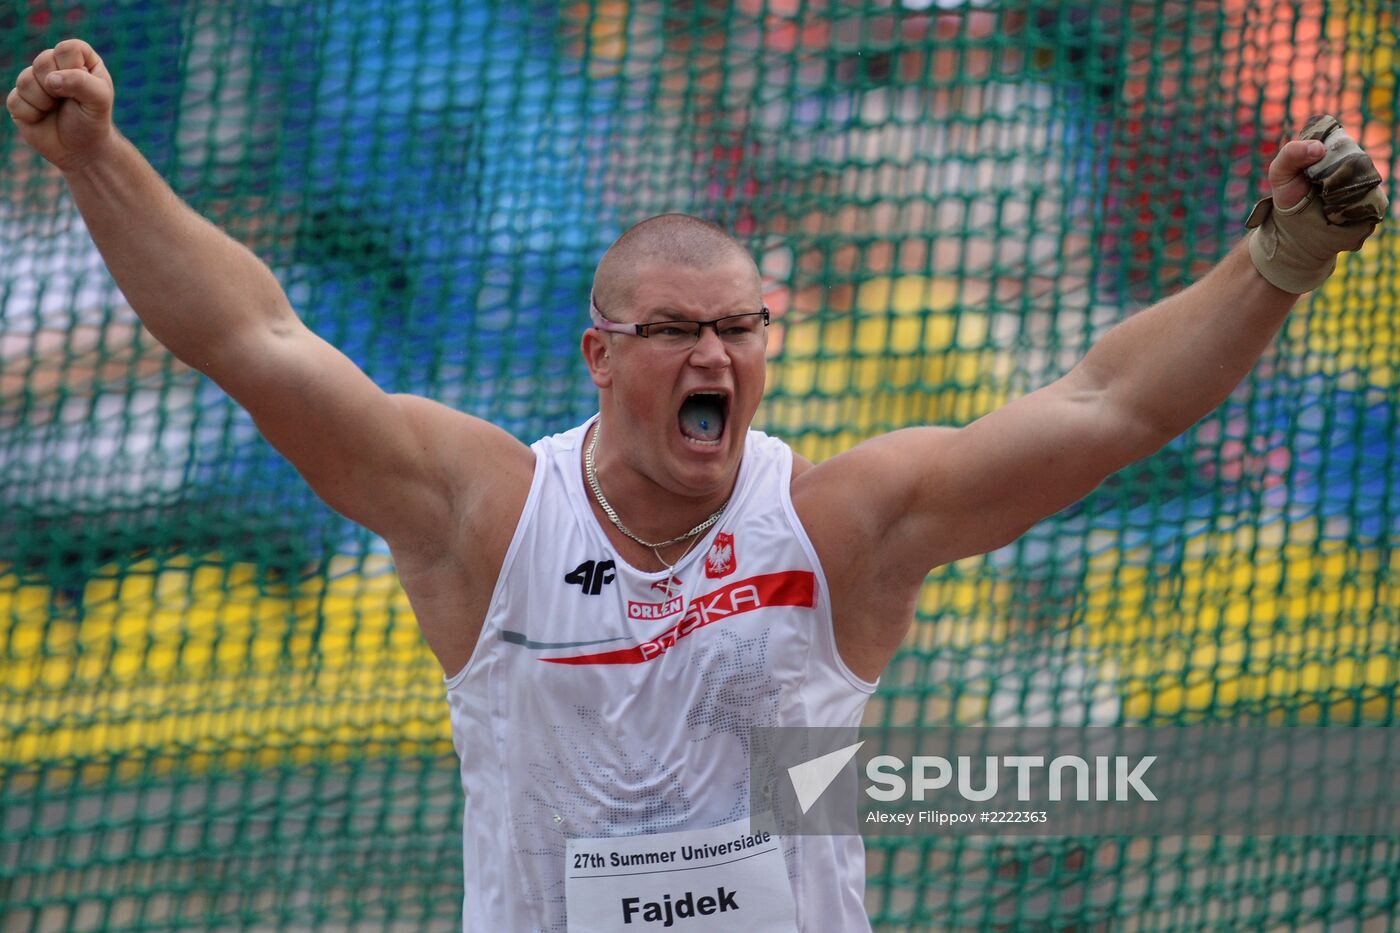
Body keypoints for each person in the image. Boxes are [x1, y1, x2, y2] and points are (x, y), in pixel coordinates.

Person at [7, 39, 1386, 933]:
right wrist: (97, 160)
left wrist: (1280, 258)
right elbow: (260, 342)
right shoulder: (489, 515)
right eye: (675, 332)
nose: (715, 352)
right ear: (602, 356)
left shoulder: (839, 522)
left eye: (741, 327)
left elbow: (1110, 402)